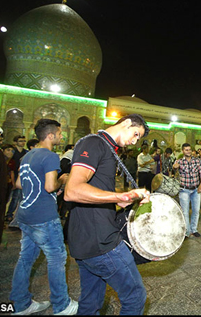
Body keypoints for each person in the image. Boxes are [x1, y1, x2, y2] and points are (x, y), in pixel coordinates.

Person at [64, 113, 150, 315]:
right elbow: (73, 191)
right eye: (136, 134)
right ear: (126, 123)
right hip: (102, 242)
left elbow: (96, 193)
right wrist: (124, 195)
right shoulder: (94, 143)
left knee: (91, 302)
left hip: (85, 241)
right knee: (135, 296)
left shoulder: (108, 149)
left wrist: (121, 200)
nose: (135, 141)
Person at [9, 119, 77, 315]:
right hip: (44, 217)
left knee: (25, 260)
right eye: (59, 133)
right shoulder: (49, 156)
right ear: (50, 135)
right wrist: (61, 180)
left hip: (26, 215)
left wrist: (46, 189)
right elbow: (49, 186)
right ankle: (62, 305)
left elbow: (21, 184)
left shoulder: (28, 155)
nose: (62, 136)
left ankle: (21, 304)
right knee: (57, 259)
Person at [173, 143, 201, 237]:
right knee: (185, 211)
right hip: (184, 190)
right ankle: (187, 231)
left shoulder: (198, 161)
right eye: (186, 150)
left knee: (196, 210)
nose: (189, 151)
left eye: (190, 149)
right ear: (183, 151)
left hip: (195, 190)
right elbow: (174, 173)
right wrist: (174, 168)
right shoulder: (179, 161)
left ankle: (194, 229)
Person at [6, 135, 28, 222]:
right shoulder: (13, 152)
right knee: (11, 197)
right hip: (12, 175)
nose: (22, 143)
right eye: (20, 141)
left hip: (21, 176)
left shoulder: (25, 152)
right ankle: (9, 213)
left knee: (18, 197)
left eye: (24, 141)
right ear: (15, 142)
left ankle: (14, 215)